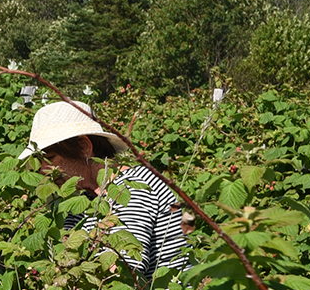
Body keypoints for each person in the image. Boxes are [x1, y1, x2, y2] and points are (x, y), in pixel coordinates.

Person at [21, 100, 190, 279]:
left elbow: (121, 275)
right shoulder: (83, 200)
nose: (42, 170)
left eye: (50, 158)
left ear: (84, 147)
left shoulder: (132, 188)